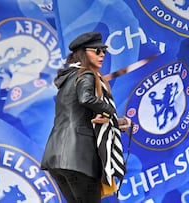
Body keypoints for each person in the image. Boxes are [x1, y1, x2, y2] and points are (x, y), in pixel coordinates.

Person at [41, 31, 131, 203]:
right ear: (82, 53)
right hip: (77, 158)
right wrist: (111, 112)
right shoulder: (87, 74)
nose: (102, 54)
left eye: (103, 50)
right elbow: (86, 99)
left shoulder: (67, 78)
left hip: (56, 157)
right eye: (97, 50)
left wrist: (117, 123)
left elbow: (83, 118)